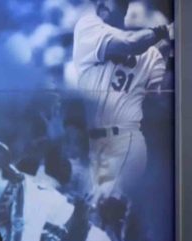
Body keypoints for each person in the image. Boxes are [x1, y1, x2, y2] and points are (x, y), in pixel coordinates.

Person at [72, 0, 170, 202]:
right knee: (96, 209)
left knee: (103, 203)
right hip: (97, 144)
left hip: (125, 140)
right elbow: (130, 42)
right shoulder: (90, 27)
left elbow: (157, 98)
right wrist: (163, 34)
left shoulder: (152, 55)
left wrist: (166, 51)